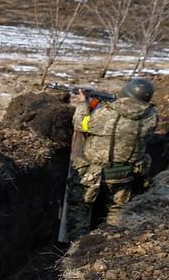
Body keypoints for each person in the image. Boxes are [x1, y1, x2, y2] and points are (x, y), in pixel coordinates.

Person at [65, 77, 158, 240]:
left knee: (80, 208)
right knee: (117, 210)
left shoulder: (106, 113)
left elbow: (81, 123)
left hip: (93, 174)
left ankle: (75, 245)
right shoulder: (150, 117)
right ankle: (110, 243)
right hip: (125, 175)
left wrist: (83, 103)